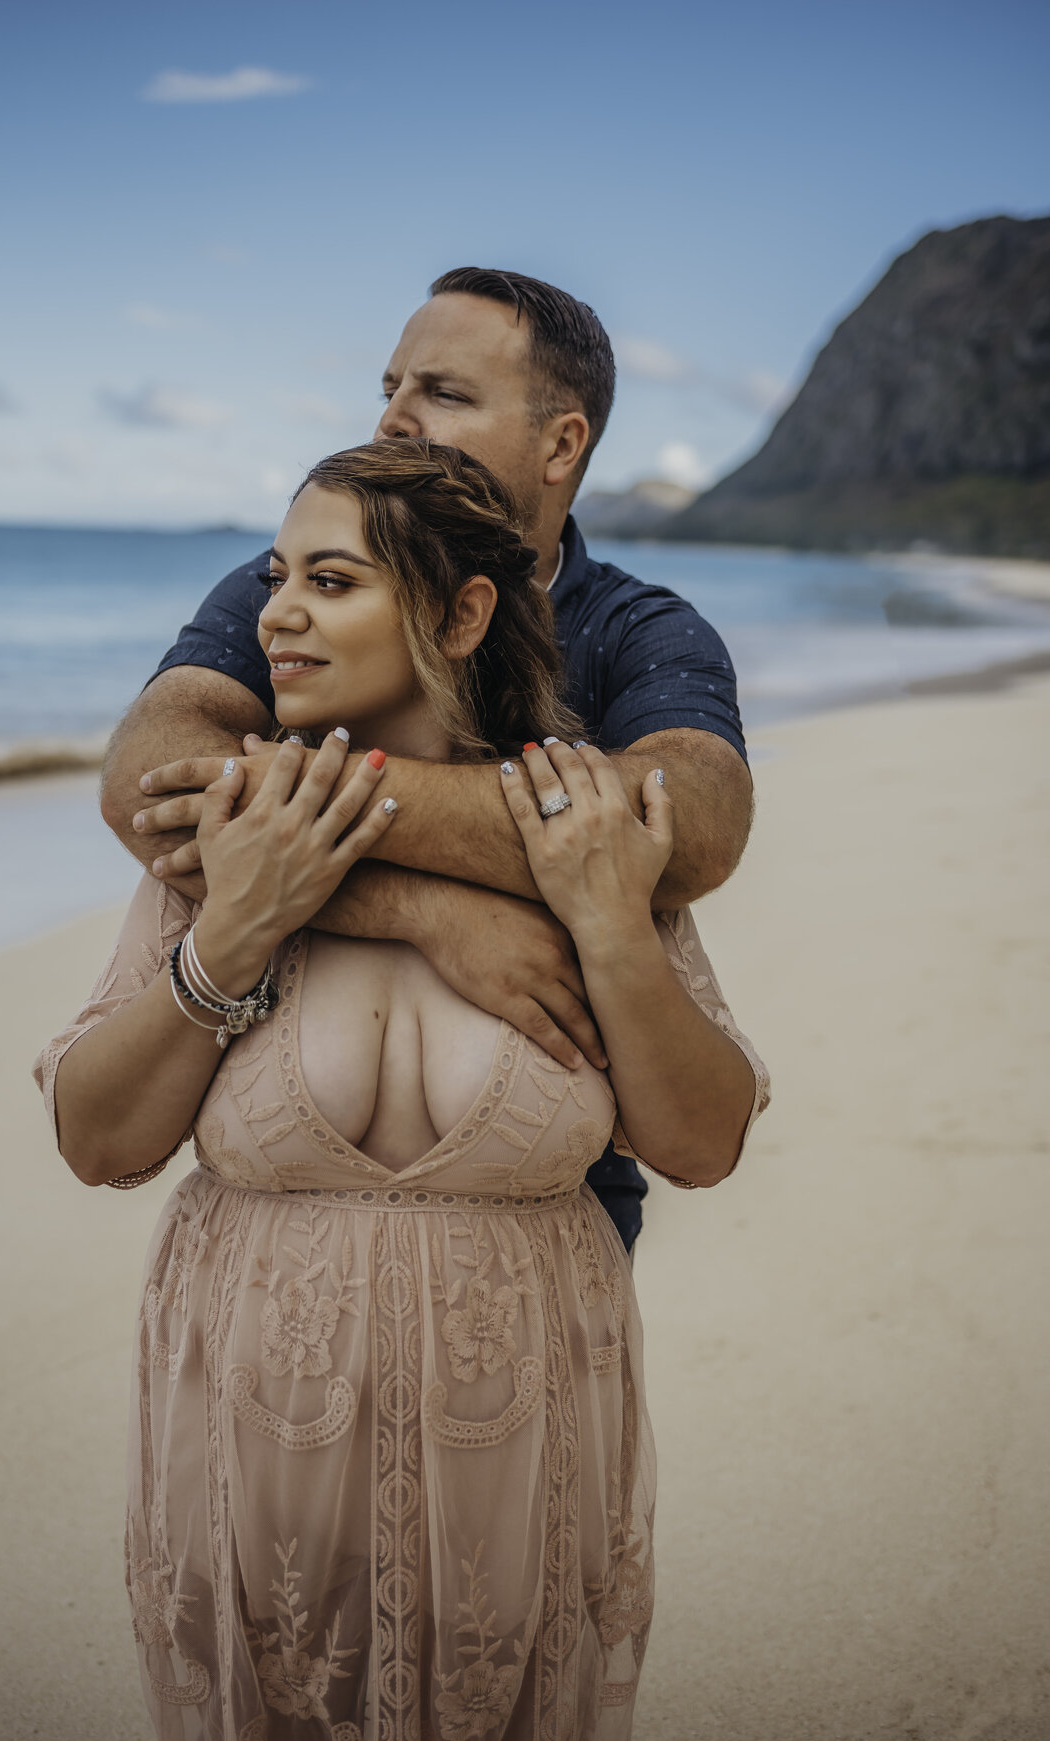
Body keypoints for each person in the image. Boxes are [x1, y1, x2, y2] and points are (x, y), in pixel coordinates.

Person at [36, 440, 769, 1741]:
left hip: (519, 1443)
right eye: (274, 579)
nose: (276, 615)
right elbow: (96, 1139)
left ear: (460, 613)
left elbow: (704, 1140)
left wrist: (610, 928)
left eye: (330, 580)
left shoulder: (576, 831)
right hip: (259, 1448)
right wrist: (234, 938)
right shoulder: (235, 836)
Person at [99, 268, 754, 1254]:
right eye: (390, 389)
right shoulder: (291, 588)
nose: (393, 421)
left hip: (550, 1186)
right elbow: (152, 779)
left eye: (441, 394)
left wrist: (289, 814)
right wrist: (429, 911)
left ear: (562, 443)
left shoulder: (640, 629)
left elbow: (690, 831)